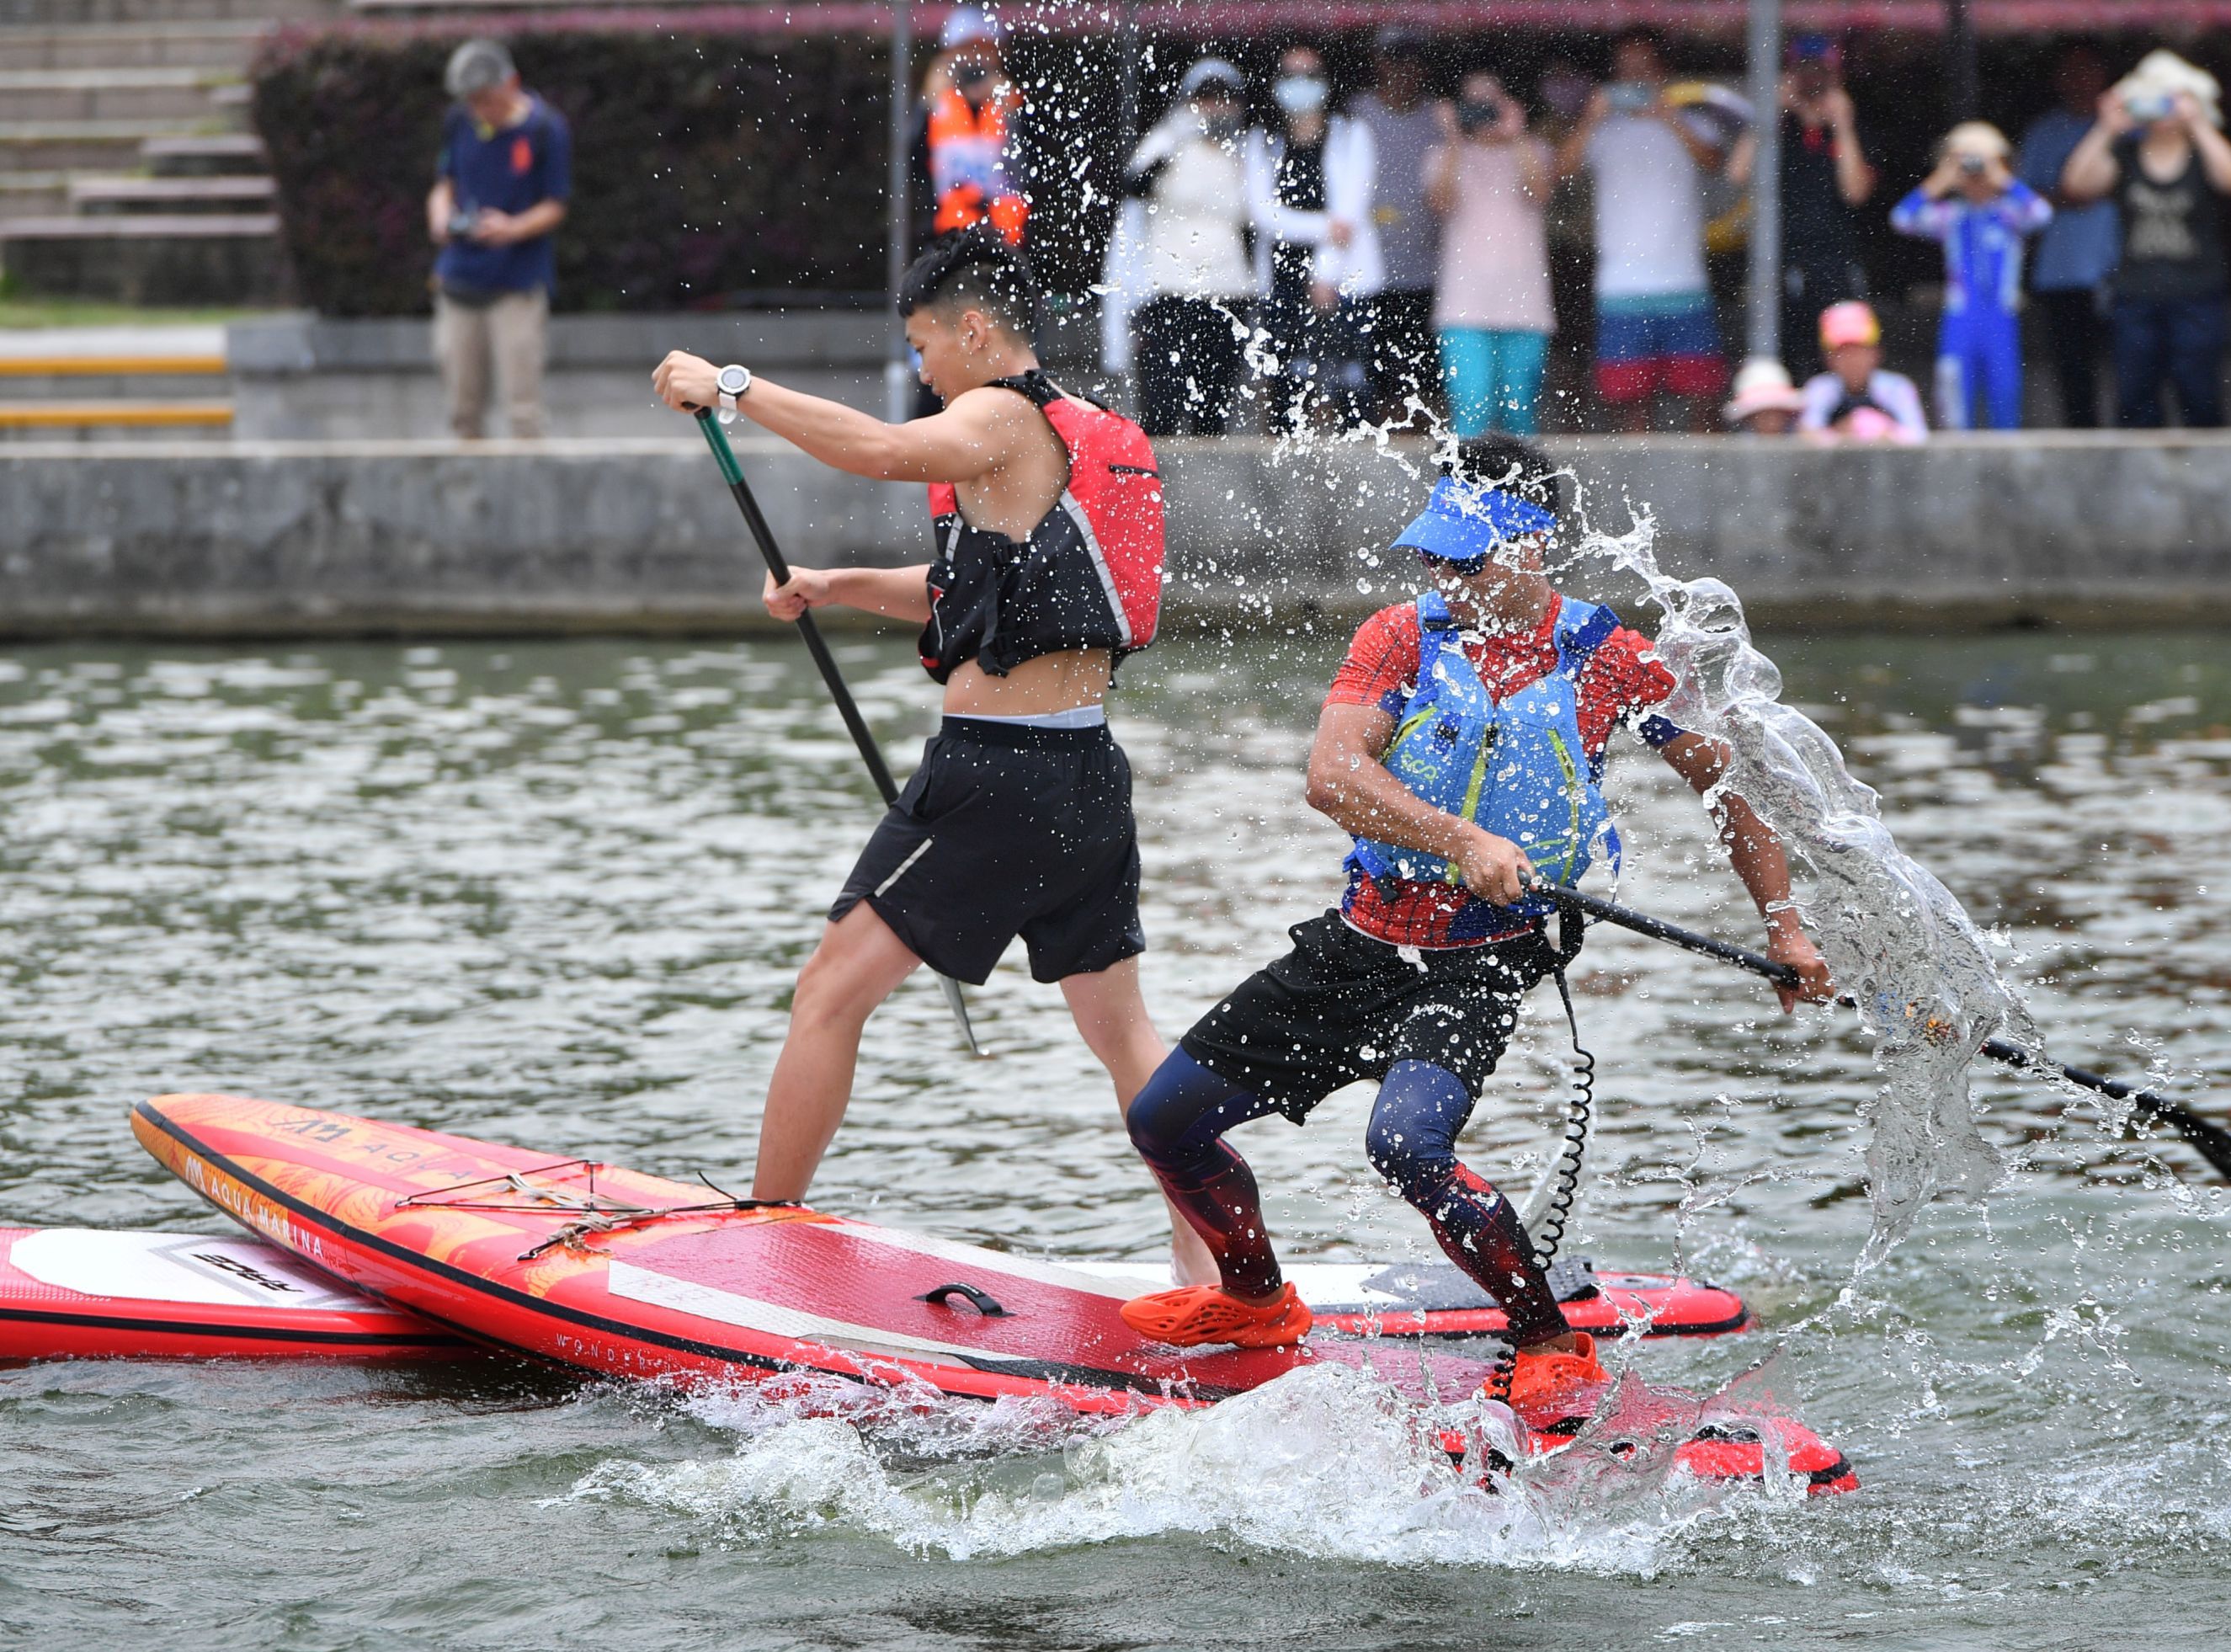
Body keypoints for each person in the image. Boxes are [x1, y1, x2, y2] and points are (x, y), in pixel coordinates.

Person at [1109, 434, 1833, 1422]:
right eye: (1435, 556)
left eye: (1469, 559)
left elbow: (1732, 795)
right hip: (1361, 940)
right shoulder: (1400, 638)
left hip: (1484, 959)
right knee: (1165, 1122)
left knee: (1406, 1145)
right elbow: (1332, 778)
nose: (1445, 577)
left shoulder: (1611, 661)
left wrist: (1785, 931)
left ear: (1533, 550)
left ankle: (1543, 1337)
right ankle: (1256, 1301)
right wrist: (1461, 837)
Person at [647, 232, 1210, 1284]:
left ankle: (766, 1236)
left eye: (923, 347)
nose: (921, 371)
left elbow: (875, 449)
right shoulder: (1057, 441)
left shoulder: (996, 413)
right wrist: (836, 579)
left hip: (993, 778)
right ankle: (1221, 1272)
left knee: (828, 992)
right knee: (1123, 1034)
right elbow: (968, 592)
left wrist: (730, 386)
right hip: (1084, 776)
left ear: (974, 330)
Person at [2061, 51, 2231, 429]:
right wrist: (2107, 127)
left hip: (2197, 293)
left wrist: (2198, 123)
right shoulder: (2126, 154)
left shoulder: (2201, 155)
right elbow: (2076, 186)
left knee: (2199, 391)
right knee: (2134, 396)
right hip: (2137, 294)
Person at [1556, 29, 1731, 432]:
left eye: (1643, 69)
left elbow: (1713, 162)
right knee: (1629, 404)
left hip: (1683, 280)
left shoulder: (1690, 119)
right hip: (1621, 286)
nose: (1634, 79)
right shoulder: (1602, 129)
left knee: (1704, 396)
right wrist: (1589, 118)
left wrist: (1669, 116)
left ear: (1662, 72)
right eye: (1626, 71)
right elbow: (1560, 171)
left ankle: (1700, 488)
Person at [425, 38, 570, 441]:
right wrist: (441, 216)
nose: (480, 110)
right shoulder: (460, 122)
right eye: (472, 101)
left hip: (517, 282)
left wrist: (511, 228)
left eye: (486, 99)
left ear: (512, 83)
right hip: (458, 277)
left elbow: (555, 205)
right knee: (462, 412)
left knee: (523, 411)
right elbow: (444, 184)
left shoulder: (544, 129)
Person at [1243, 43, 1381, 434]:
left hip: (1345, 275)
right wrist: (1324, 227)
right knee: (1287, 382)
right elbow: (1262, 214)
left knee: (1352, 383)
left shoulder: (1352, 134)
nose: (1299, 85)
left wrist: (1325, 274)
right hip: (1282, 274)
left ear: (1326, 81)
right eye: (1290, 76)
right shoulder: (1263, 140)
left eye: (1309, 76)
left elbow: (1349, 215)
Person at [1117, 59, 1256, 437]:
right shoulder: (1168, 139)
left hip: (1229, 291)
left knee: (1212, 410)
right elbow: (1134, 184)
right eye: (1206, 98)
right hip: (1170, 290)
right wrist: (1178, 136)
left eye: (1225, 99)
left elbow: (1261, 215)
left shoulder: (1248, 149)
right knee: (1161, 404)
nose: (1216, 107)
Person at [1728, 34, 1877, 381]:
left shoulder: (1852, 130)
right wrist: (1771, 112)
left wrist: (1842, 125)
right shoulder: (1778, 127)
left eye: (1821, 71)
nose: (1812, 79)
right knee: (1785, 356)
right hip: (1782, 261)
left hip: (1835, 262)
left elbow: (1856, 192)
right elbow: (1737, 173)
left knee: (1841, 350)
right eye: (1804, 70)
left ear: (1835, 76)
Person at [1892, 122, 2054, 431]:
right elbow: (1902, 218)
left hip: (2001, 316)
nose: (1976, 172)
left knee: (2005, 395)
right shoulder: (1951, 215)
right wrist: (1943, 178)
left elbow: (2042, 214)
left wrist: (2002, 177)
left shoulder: (2009, 213)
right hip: (1960, 316)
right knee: (1954, 400)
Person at [1425, 72, 1556, 437]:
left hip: (1526, 307)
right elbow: (1440, 202)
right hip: (1463, 308)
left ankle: (1522, 494)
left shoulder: (1535, 150)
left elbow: (1541, 193)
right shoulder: (1441, 155)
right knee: (1470, 416)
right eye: (1474, 102)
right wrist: (1454, 138)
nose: (1482, 110)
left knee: (1521, 418)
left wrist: (1516, 135)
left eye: (1490, 101)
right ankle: (1464, 492)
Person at [1348, 27, 1447, 425]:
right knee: (1373, 382)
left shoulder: (1438, 118)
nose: (1404, 69)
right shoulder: (1356, 113)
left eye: (1413, 60)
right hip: (1369, 274)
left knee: (1425, 384)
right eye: (1395, 59)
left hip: (1428, 271)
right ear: (1378, 62)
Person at [2016, 47, 2119, 429]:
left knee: (2131, 368)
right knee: (2074, 372)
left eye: (2088, 70)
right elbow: (2022, 200)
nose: (2080, 81)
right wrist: (2074, 194)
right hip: (2062, 270)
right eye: (2071, 72)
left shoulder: (2128, 129)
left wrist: (2070, 194)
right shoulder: (2043, 132)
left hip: (2119, 267)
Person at [921, 6, 1028, 247]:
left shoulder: (1010, 104)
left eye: (984, 51)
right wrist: (925, 104)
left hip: (1005, 241)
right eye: (966, 51)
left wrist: (1014, 113)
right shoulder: (938, 104)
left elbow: (1033, 166)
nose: (975, 61)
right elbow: (909, 163)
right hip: (946, 240)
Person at [1797, 299, 1930, 443]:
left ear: (1876, 352)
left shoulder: (1897, 387)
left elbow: (1919, 436)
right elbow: (1808, 435)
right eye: (1843, 352)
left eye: (1859, 350)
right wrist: (1843, 434)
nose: (1852, 360)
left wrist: (1885, 431)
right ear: (1828, 358)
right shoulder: (1820, 388)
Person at [1724, 357, 1805, 436]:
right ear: (1750, 417)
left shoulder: (1801, 441)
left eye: (1777, 412)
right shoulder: (1739, 445)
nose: (1772, 421)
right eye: (1764, 414)